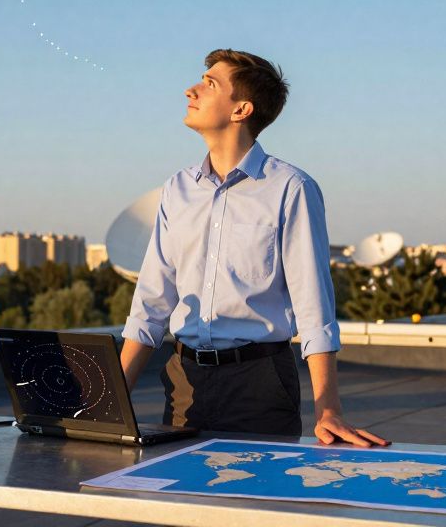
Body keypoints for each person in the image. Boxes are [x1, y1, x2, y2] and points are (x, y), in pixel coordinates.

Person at [119, 49, 390, 447]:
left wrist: (328, 409)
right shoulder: (178, 189)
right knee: (180, 485)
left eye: (209, 84)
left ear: (241, 109)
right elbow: (151, 302)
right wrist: (111, 400)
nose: (190, 90)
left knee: (256, 486)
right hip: (183, 382)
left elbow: (313, 305)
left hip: (259, 384)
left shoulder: (291, 188)